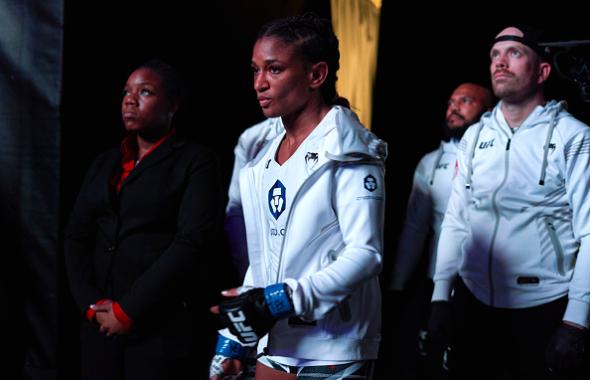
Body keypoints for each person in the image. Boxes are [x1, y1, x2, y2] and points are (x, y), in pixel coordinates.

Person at [209, 13, 387, 380]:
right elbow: (264, 261)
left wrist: (282, 299)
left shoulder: (350, 150)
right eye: (255, 70)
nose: (259, 83)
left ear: (315, 75)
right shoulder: (260, 161)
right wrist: (235, 337)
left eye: (274, 69)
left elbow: (366, 255)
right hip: (276, 345)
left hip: (335, 346)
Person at [428, 25, 590, 379]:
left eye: (514, 53)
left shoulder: (573, 136)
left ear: (542, 71)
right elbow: (457, 218)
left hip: (544, 308)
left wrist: (576, 320)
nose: (500, 62)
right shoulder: (475, 135)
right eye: (494, 55)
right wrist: (441, 296)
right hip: (473, 304)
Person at [65, 59, 223, 380]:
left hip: (159, 331)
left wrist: (128, 310)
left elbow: (191, 242)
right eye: (126, 92)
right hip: (100, 330)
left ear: (172, 104)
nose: (129, 100)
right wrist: (90, 304)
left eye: (145, 92)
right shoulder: (104, 162)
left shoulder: (196, 161)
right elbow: (76, 237)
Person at [389, 83, 493, 378]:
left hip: (484, 287)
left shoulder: (495, 158)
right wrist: (397, 285)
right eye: (450, 101)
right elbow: (414, 229)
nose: (454, 107)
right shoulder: (430, 162)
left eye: (465, 101)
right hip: (436, 285)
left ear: (487, 111)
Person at [225, 117, 283, 280]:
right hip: (264, 279)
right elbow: (236, 209)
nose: (259, 89)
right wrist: (252, 275)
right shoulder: (252, 139)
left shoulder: (339, 137)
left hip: (321, 287)